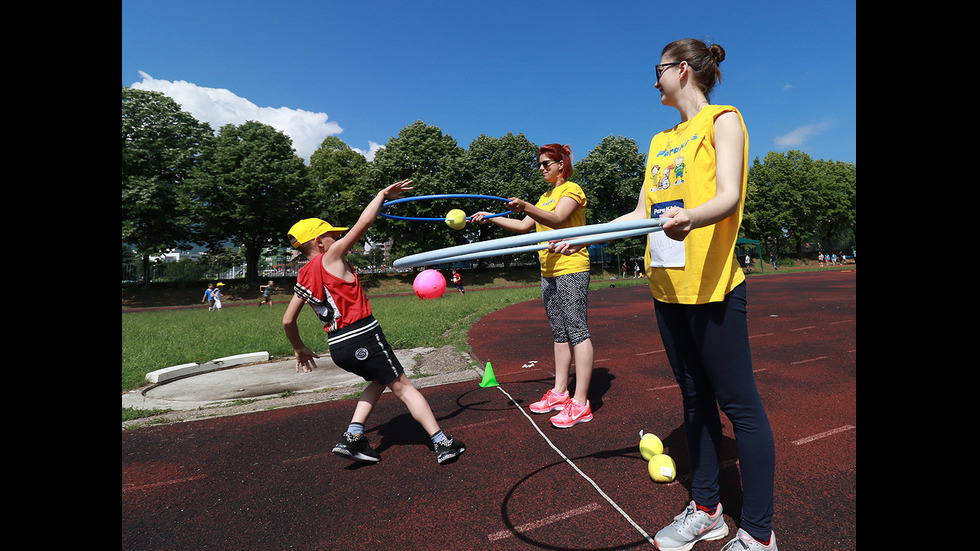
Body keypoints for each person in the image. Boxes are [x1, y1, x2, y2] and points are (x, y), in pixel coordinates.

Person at [551, 39, 776, 550]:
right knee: (693, 399)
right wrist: (584, 234)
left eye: (657, 71)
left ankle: (760, 535)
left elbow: (728, 195)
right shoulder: (659, 141)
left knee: (740, 407)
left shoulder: (724, 121)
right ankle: (707, 511)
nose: (653, 82)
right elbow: (640, 213)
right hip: (667, 288)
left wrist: (689, 219)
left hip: (713, 286)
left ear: (681, 70)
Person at [281, 179, 466, 465]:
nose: (337, 239)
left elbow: (287, 320)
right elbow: (364, 222)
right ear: (320, 242)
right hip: (363, 336)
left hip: (338, 347)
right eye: (332, 235)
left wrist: (299, 348)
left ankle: (353, 436)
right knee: (404, 387)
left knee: (380, 379)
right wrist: (381, 195)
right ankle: (442, 442)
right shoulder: (331, 257)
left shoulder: (303, 276)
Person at [471, 143, 595, 429]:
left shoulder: (571, 190)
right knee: (560, 331)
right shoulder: (544, 196)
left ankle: (581, 403)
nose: (540, 168)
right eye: (539, 164)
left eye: (545, 164)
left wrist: (525, 205)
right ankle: (560, 393)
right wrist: (490, 218)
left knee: (577, 330)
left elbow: (556, 219)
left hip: (571, 266)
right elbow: (524, 226)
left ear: (561, 166)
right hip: (548, 270)